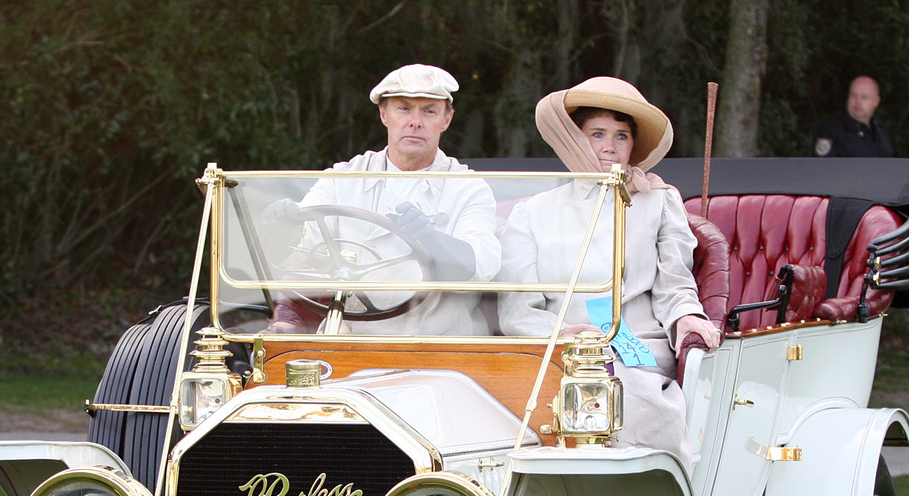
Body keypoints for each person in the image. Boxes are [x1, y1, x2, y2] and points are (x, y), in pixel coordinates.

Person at [498, 77, 720, 461]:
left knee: (625, 397)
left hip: (635, 347)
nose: (608, 147)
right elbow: (518, 310)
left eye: (621, 136)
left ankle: (650, 495)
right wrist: (562, 333)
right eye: (596, 133)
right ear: (574, 138)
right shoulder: (531, 212)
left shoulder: (658, 201)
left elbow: (675, 284)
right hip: (556, 351)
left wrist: (687, 317)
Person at [264, 64, 500, 335]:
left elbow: (483, 266)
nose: (415, 122)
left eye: (429, 111)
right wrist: (285, 225)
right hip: (352, 341)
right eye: (403, 108)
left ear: (446, 119)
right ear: (383, 114)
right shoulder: (344, 177)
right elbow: (304, 247)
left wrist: (434, 241)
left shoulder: (468, 188)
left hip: (441, 347)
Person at [813, 76, 894, 158]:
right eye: (854, 96)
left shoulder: (881, 130)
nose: (858, 102)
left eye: (864, 97)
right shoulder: (831, 130)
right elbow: (823, 168)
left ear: (876, 101)